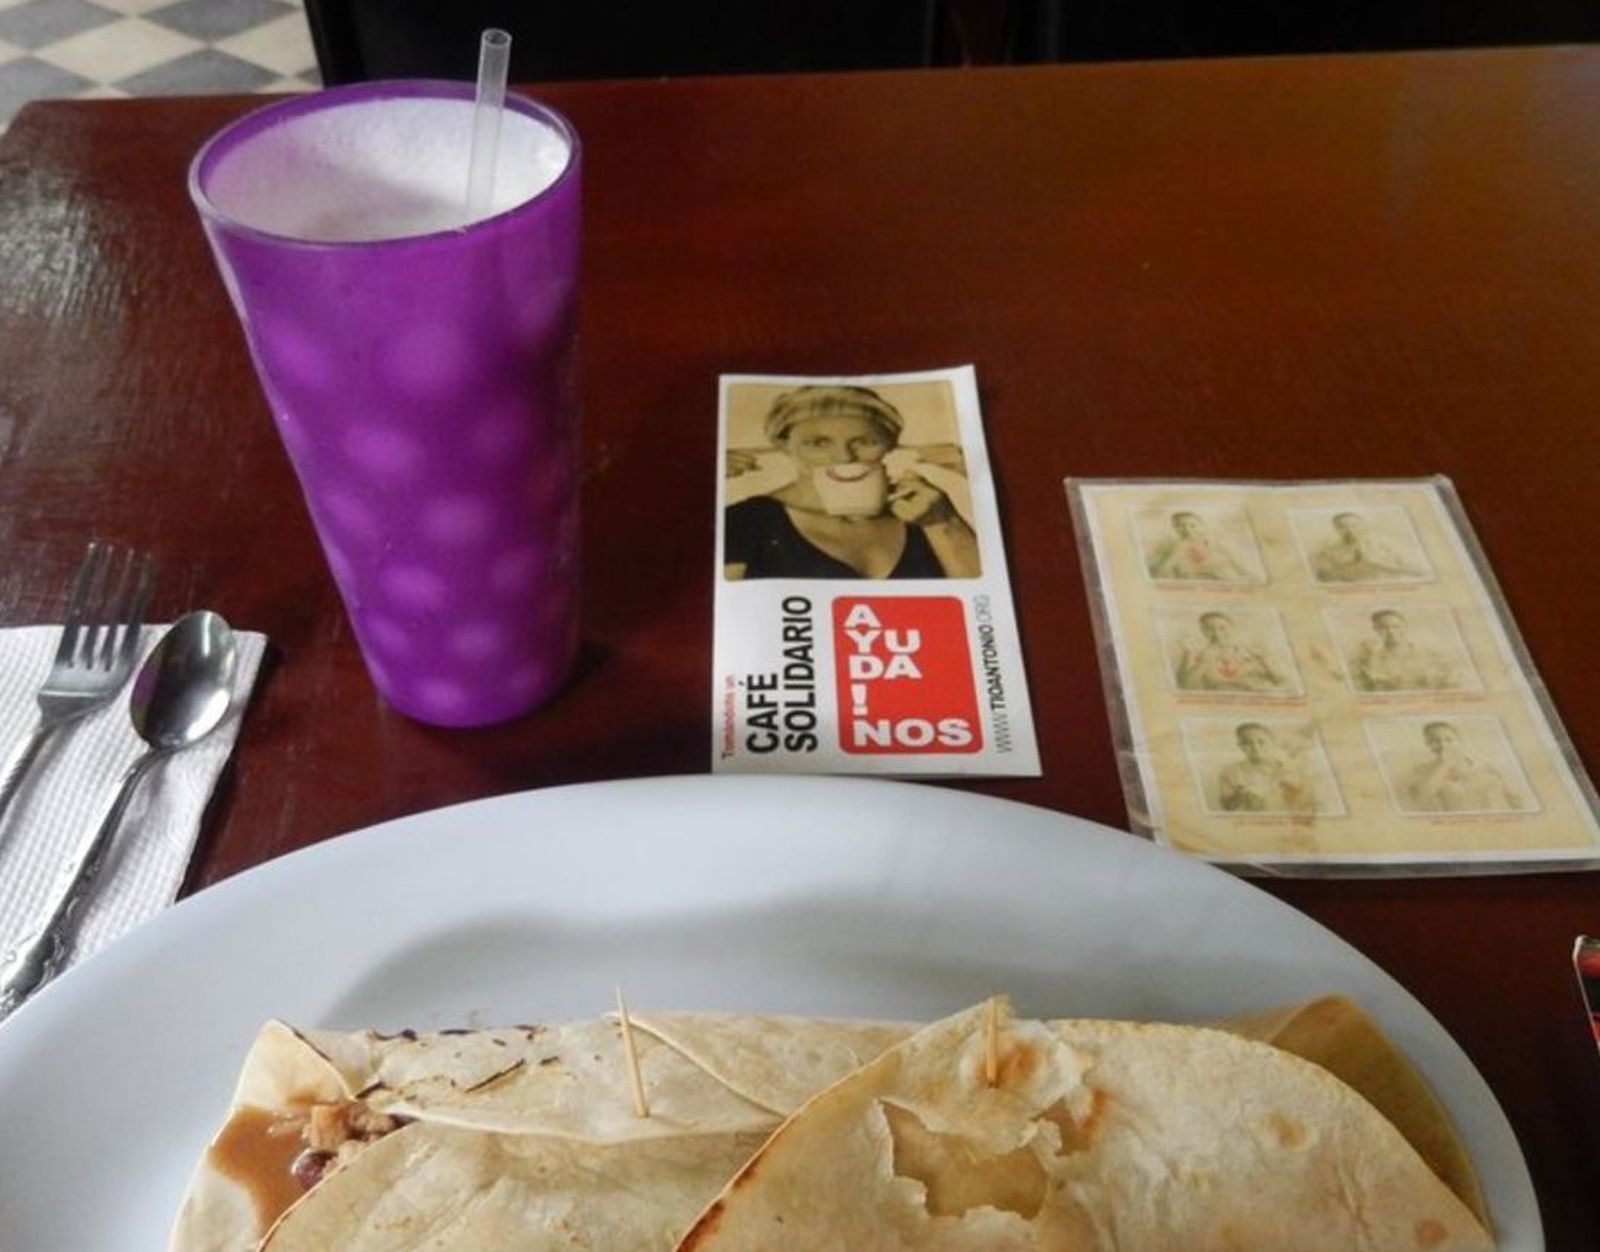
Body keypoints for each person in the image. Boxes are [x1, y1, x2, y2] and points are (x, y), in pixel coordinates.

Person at [723, 385, 978, 580]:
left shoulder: (926, 512)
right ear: (783, 446)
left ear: (890, 445)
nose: (844, 457)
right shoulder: (745, 521)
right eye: (818, 443)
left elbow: (982, 603)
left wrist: (945, 521)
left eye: (865, 442)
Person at [1398, 721, 1524, 813]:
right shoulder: (1422, 771)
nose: (1443, 745)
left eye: (1449, 739)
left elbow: (1516, 799)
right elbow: (1420, 798)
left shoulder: (1485, 767)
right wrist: (1444, 765)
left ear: (1459, 740)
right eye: (1434, 741)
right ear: (1428, 744)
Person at [1216, 722, 1318, 814]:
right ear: (1240, 745)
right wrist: (1240, 796)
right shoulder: (1230, 772)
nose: (1255, 747)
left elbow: (1305, 803)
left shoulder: (1289, 768)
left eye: (1261, 742)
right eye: (1247, 743)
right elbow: (1226, 807)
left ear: (1272, 742)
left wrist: (1293, 792)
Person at [1175, 612, 1289, 693]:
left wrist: (1264, 661)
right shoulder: (1197, 655)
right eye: (1209, 629)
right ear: (1202, 631)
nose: (1217, 633)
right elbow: (1185, 686)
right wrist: (1195, 659)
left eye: (1222, 628)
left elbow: (1283, 682)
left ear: (1232, 628)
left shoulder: (1251, 651)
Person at [1348, 609, 1460, 692]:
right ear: (1376, 629)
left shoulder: (1428, 654)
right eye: (1384, 627)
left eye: (1396, 626)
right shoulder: (1372, 660)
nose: (1391, 632)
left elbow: (1449, 683)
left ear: (1405, 627)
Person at [1311, 511, 1424, 583]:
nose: (1350, 530)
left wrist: (1378, 562)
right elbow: (1325, 577)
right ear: (1336, 529)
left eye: (1355, 525)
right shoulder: (1330, 551)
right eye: (1342, 527)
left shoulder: (1385, 543)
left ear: (1364, 526)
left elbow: (1419, 570)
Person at [1146, 511, 1254, 582]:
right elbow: (1163, 572)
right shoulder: (1178, 548)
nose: (1187, 529)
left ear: (1202, 525)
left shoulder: (1215, 545)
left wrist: (1248, 578)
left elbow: (1238, 565)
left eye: (1193, 525)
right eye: (1181, 526)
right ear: (1175, 529)